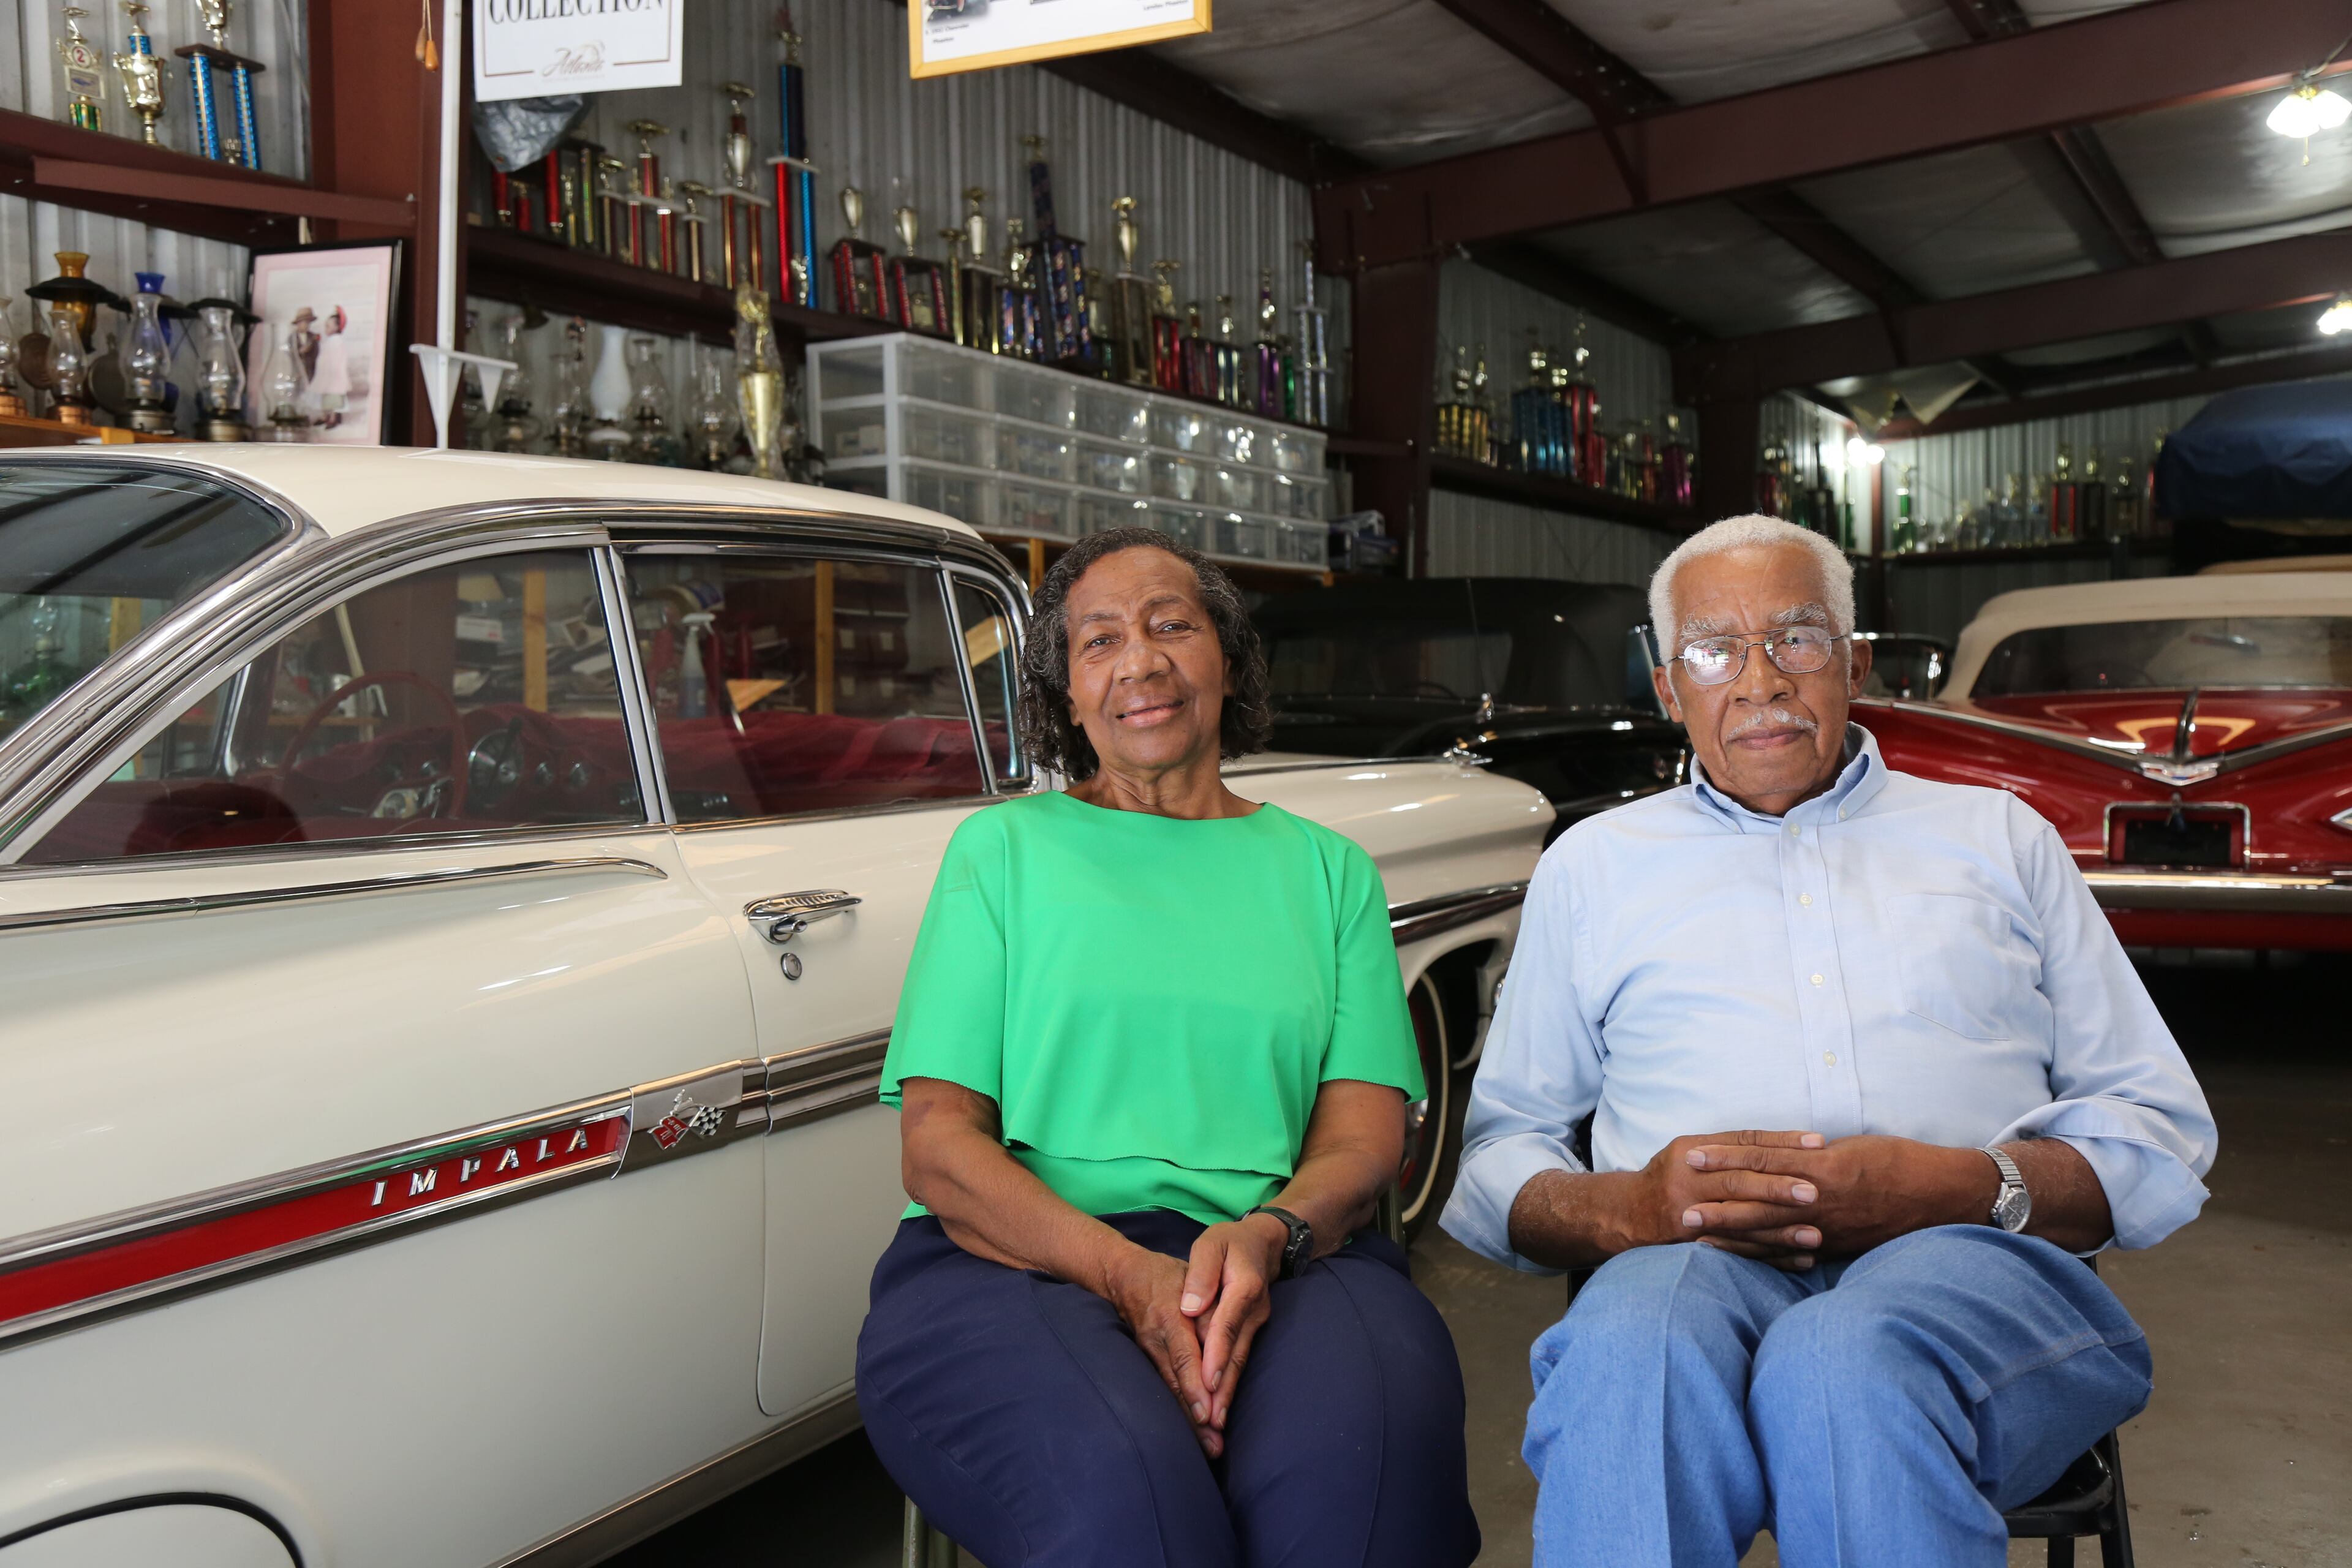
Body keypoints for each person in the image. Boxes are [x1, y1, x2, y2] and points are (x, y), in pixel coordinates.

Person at [1441, 514, 2217, 1568]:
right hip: (1691, 1267)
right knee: (1633, 1351)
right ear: (1671, 691)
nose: (1759, 680)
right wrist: (1628, 1206)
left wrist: (1957, 1185)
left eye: (1797, 639)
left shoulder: (1999, 838)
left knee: (1844, 1360)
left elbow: (2156, 1132)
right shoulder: (1596, 866)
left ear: (1852, 666)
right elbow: (1502, 1152)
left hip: (1979, 1273)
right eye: (1714, 651)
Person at [857, 527, 1481, 1568]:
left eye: (1171, 627)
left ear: (1226, 661)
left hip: (1284, 1255)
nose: (1139, 662)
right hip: (1018, 1261)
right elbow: (939, 1149)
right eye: (1099, 642)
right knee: (1130, 1507)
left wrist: (1271, 1234)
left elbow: (1364, 1142)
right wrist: (1128, 1277)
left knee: (1365, 1488)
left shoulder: (1329, 872)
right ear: (1065, 694)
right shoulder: (1002, 853)